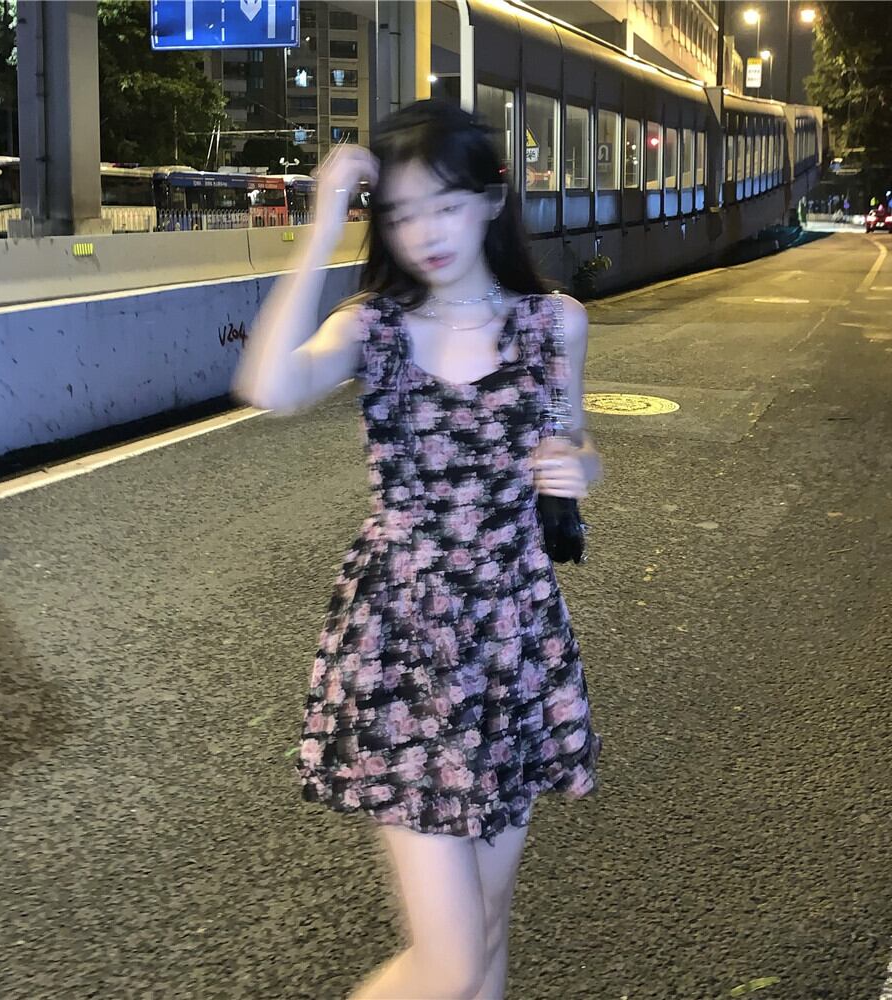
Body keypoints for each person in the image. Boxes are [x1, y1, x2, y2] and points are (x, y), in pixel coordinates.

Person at [232, 99, 603, 1000]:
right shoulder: (375, 328)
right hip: (404, 641)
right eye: (400, 213)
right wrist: (324, 219)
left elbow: (572, 436)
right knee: (450, 962)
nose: (424, 233)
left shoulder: (555, 323)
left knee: (488, 924)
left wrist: (582, 466)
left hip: (512, 637)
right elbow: (268, 383)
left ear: (490, 199)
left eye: (444, 205)